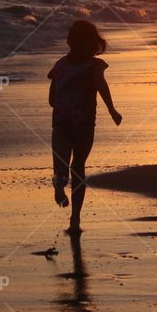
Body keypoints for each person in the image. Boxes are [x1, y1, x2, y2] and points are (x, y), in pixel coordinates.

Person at [49, 20, 123, 233]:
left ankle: (59, 186)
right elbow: (101, 85)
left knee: (61, 168)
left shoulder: (60, 65)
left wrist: (64, 102)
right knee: (78, 168)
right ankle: (75, 220)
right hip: (84, 126)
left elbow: (52, 99)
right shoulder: (95, 65)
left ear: (70, 41)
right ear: (93, 42)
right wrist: (111, 110)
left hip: (61, 125)